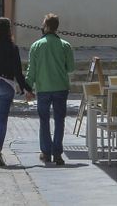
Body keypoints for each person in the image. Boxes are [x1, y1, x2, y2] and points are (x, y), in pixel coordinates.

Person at [0, 16, 33, 168]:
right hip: (6, 85)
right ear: (9, 29)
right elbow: (18, 72)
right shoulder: (12, 47)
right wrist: (27, 89)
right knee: (2, 120)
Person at [26, 13, 75, 166]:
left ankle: (46, 152)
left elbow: (31, 70)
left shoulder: (36, 46)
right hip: (60, 87)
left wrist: (28, 88)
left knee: (44, 120)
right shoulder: (65, 45)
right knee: (60, 120)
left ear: (46, 26)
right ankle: (58, 153)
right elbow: (71, 68)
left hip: (43, 88)